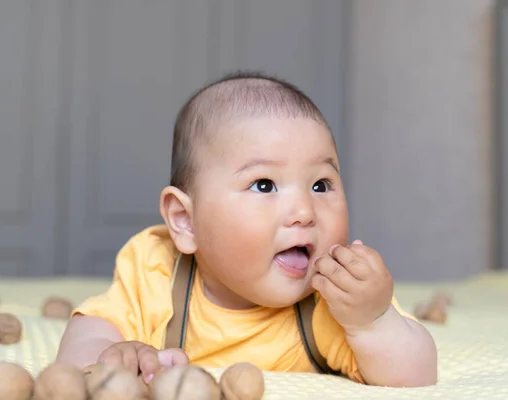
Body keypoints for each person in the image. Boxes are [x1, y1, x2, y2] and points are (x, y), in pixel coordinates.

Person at [55, 71, 437, 388]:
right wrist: (110, 359)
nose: (304, 211)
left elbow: (415, 378)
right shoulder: (157, 269)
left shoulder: (331, 302)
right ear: (186, 221)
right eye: (265, 185)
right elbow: (89, 330)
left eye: (321, 185)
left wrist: (372, 320)